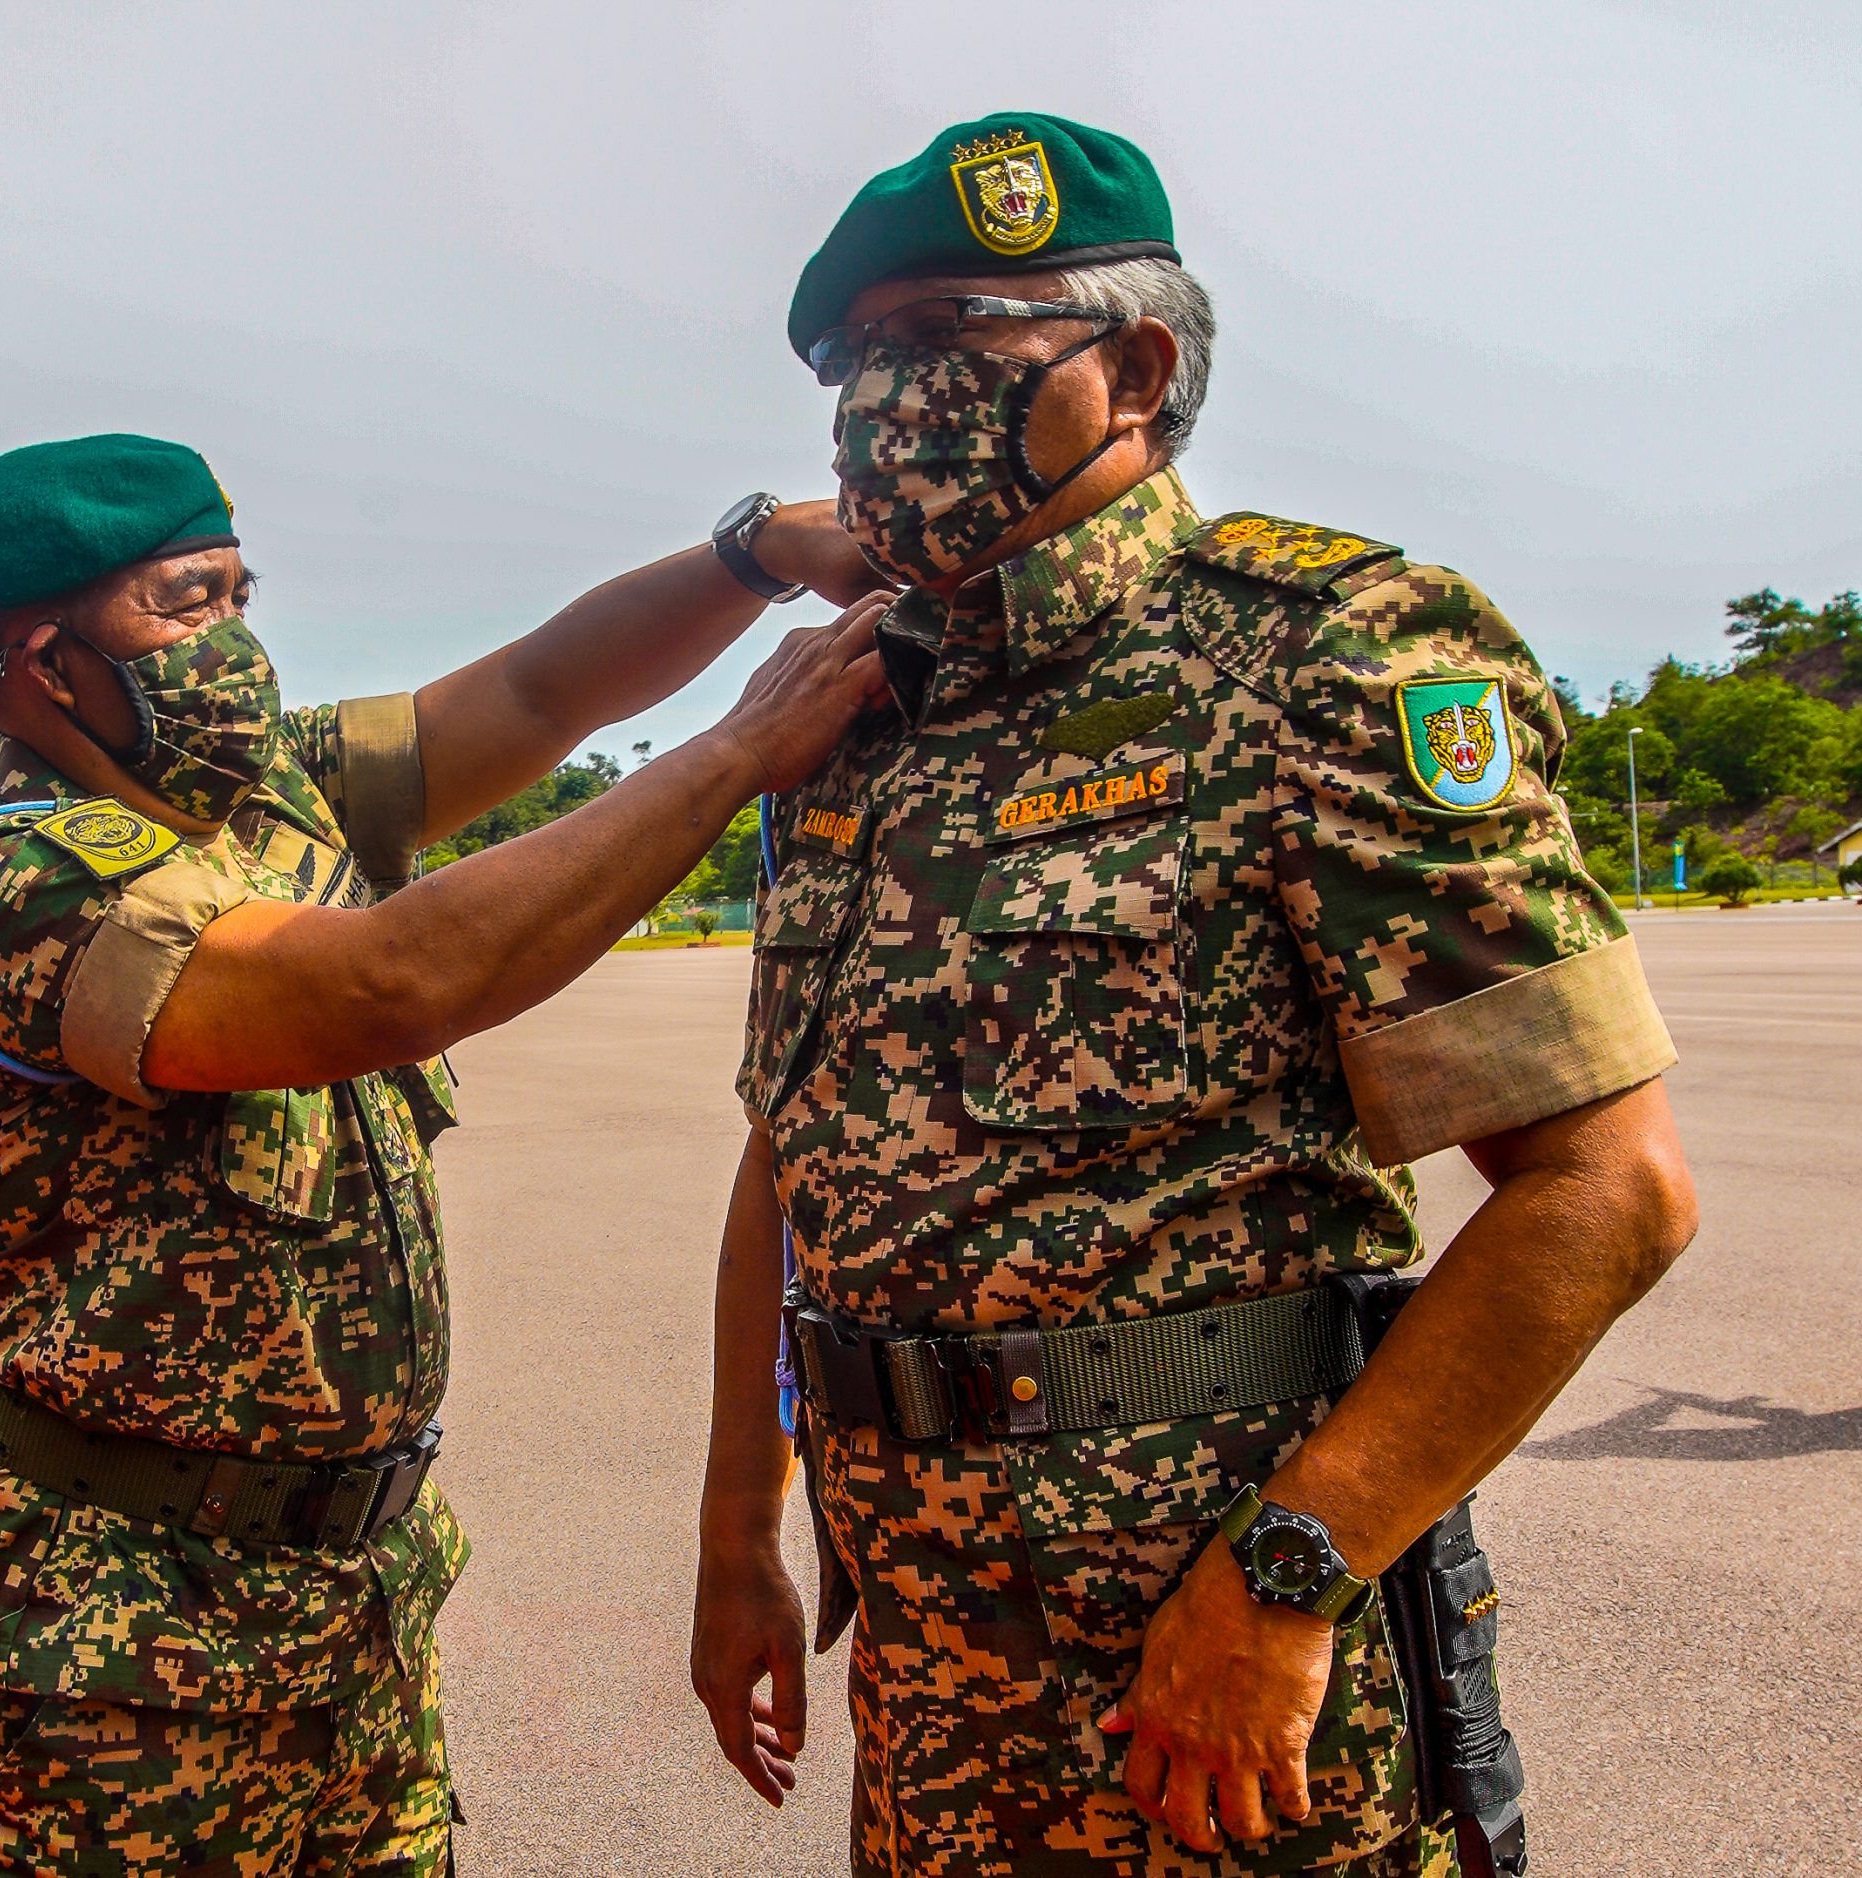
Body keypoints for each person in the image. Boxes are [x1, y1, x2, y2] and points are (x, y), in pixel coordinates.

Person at [689, 113, 1701, 1878]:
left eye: (941, 344)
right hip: (926, 1670)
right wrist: (733, 1527)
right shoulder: (853, 715)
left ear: (1136, 368)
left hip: (1201, 1667)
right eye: (854, 361)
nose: (875, 404)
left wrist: (1289, 1577)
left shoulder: (1329, 653)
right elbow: (790, 1159)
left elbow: (1607, 1192)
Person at [0, 433, 883, 1875]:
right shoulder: (6, 876)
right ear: (38, 664)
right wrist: (735, 755)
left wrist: (750, 557)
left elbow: (542, 690)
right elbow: (383, 986)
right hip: (112, 1637)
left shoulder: (271, 799)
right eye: (184, 605)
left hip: (346, 1600)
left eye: (240, 594)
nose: (233, 643)